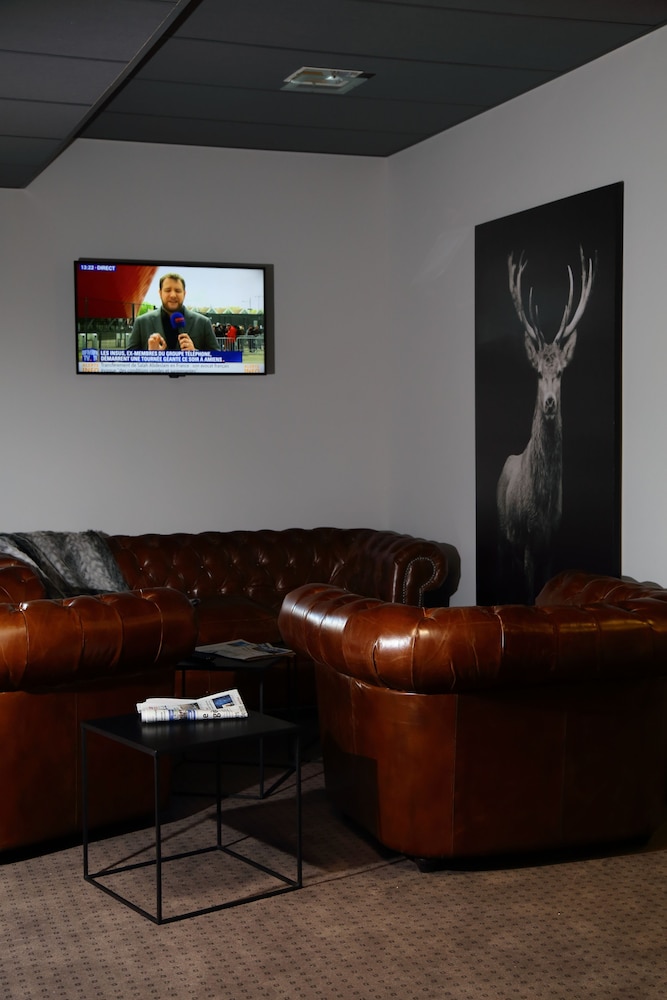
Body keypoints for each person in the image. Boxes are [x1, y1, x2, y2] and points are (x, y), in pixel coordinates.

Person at [126, 273, 219, 352]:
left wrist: (195, 353)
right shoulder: (142, 323)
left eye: (178, 291)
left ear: (184, 294)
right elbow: (128, 361)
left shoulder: (203, 323)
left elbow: (219, 359)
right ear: (160, 293)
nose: (173, 295)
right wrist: (150, 356)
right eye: (168, 290)